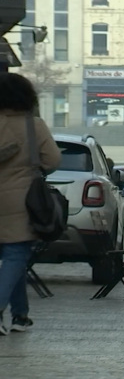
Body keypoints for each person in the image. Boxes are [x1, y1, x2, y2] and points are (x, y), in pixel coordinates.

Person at [0, 73, 61, 335]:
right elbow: (53, 160)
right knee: (16, 255)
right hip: (21, 201)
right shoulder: (32, 126)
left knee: (14, 260)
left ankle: (20, 316)